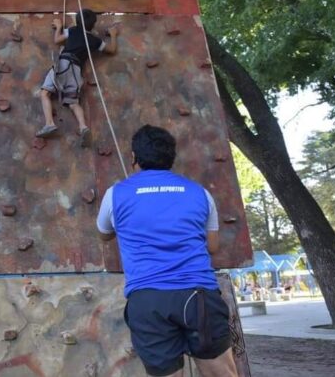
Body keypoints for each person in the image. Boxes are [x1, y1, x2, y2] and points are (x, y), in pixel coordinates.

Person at [96, 124, 238, 377]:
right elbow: (212, 246)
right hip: (199, 296)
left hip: (148, 299)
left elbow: (104, 235)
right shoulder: (199, 193)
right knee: (221, 373)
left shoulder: (114, 195)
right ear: (171, 158)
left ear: (133, 158)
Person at [35, 9, 118, 147]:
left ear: (77, 21)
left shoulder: (73, 30)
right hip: (76, 70)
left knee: (45, 93)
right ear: (93, 25)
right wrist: (113, 35)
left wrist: (59, 27)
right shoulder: (95, 41)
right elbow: (111, 50)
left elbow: (57, 40)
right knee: (73, 103)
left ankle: (49, 123)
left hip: (63, 64)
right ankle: (83, 127)